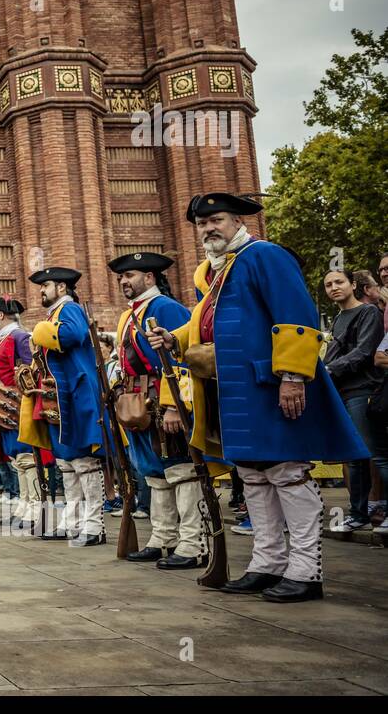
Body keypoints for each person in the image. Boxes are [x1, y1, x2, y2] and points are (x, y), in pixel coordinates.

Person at [148, 193, 368, 602]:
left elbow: (295, 318)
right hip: (233, 390)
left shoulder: (264, 255)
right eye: (202, 223)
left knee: (286, 471)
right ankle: (267, 564)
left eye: (216, 219)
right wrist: (173, 340)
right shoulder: (215, 272)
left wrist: (292, 378)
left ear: (236, 221)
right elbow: (205, 327)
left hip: (270, 384)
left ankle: (306, 570)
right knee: (251, 473)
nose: (209, 228)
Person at [105, 252, 208, 570]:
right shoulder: (129, 315)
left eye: (131, 275)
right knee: (154, 472)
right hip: (137, 400)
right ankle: (163, 537)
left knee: (181, 470)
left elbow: (181, 357)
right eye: (122, 277)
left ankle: (193, 542)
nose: (124, 281)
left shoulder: (166, 308)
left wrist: (173, 405)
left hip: (163, 401)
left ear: (149, 278)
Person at [29, 266, 106, 545]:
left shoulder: (69, 310)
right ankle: (72, 522)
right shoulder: (54, 315)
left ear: (62, 288)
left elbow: (72, 335)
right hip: (60, 398)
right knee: (68, 464)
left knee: (85, 462)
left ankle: (94, 525)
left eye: (46, 285)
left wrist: (39, 330)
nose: (42, 290)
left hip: (76, 394)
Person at [321, 269, 385, 531]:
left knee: (376, 454)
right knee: (354, 458)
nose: (334, 287)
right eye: (328, 285)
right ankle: (358, 515)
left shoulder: (368, 312)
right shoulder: (337, 320)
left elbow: (364, 352)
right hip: (343, 394)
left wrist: (328, 370)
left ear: (352, 284)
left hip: (364, 391)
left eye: (339, 282)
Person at [0, 296, 42, 530]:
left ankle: (34, 508)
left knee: (26, 457)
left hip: (17, 404)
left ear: (2, 315)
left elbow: (30, 370)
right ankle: (23, 505)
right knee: (17, 459)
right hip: (4, 406)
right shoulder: (3, 340)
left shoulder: (20, 337)